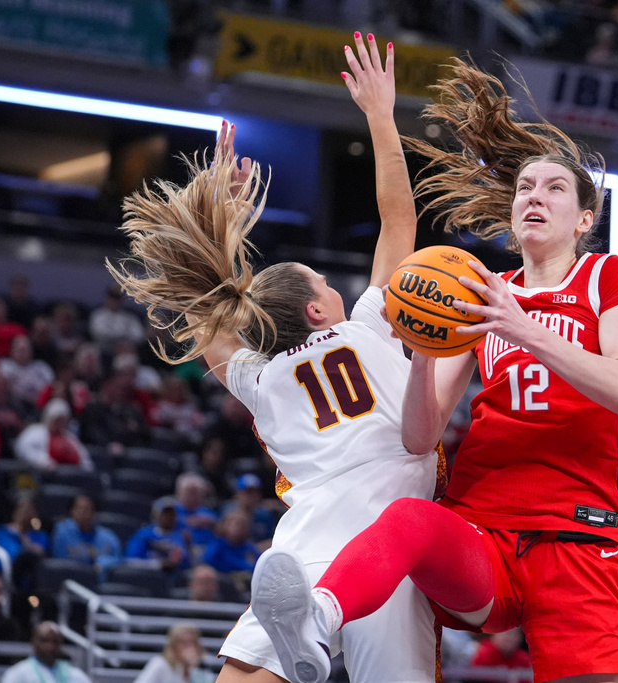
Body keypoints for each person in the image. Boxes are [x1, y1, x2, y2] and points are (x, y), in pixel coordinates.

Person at [260, 52, 618, 683]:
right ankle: (316, 620)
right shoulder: (479, 290)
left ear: (585, 219)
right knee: (409, 520)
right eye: (525, 187)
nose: (534, 195)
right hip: (485, 531)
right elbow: (421, 437)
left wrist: (522, 327)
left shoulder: (608, 276)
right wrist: (425, 347)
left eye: (554, 188)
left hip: (577, 534)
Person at [108, 35, 441, 683]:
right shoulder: (368, 327)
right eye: (323, 281)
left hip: (307, 547)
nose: (333, 284)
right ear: (317, 310)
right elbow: (398, 219)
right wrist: (380, 113)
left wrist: (218, 220)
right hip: (385, 548)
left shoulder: (260, 378)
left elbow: (205, 312)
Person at [51, 494, 124, 575]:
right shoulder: (62, 533)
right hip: (69, 577)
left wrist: (104, 562)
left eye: (86, 509)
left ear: (94, 512)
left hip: (98, 579)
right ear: (72, 511)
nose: (82, 513)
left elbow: (119, 561)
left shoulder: (109, 537)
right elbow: (58, 563)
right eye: (78, 508)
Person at [1, 620, 92, 683]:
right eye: (44, 641)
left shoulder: (74, 674)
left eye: (55, 642)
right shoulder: (18, 674)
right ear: (34, 643)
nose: (50, 647)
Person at [14, 398, 93, 471]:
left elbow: (85, 460)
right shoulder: (35, 432)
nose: (60, 424)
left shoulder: (70, 437)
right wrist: (44, 461)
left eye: (62, 420)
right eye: (57, 420)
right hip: (44, 475)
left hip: (71, 476)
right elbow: (23, 449)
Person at [134, 622, 213, 683]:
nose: (190, 647)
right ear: (173, 645)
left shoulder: (201, 669)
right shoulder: (160, 664)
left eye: (193, 642)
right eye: (184, 642)